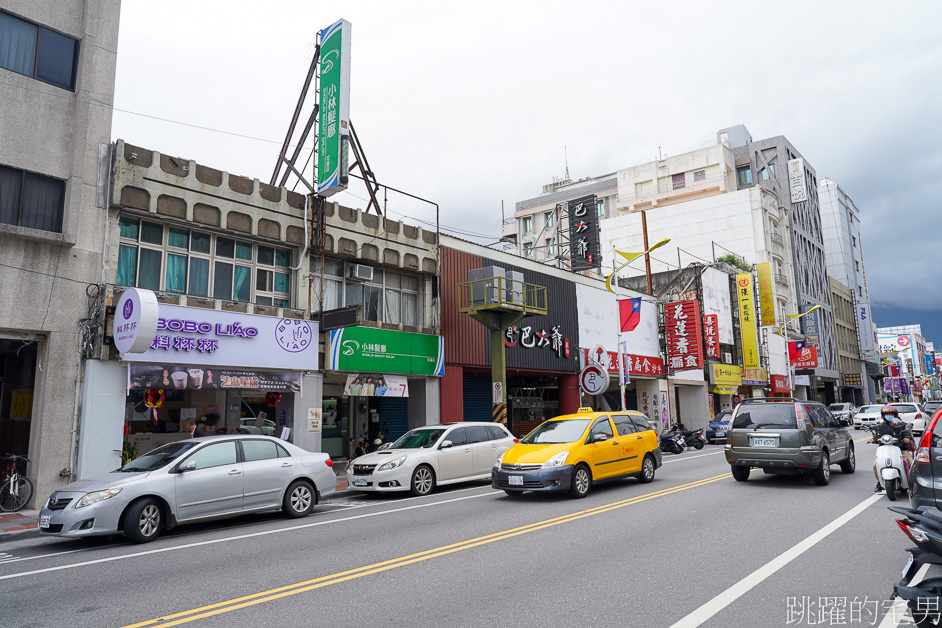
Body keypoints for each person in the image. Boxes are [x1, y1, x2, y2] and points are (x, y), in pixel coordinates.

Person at [869, 406, 913, 493]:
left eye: (891, 414)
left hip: (901, 450)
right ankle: (879, 482)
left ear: (895, 415)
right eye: (886, 414)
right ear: (883, 416)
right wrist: (874, 439)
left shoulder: (902, 425)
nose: (888, 416)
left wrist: (907, 438)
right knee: (875, 465)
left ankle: (914, 483)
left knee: (912, 464)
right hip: (885, 450)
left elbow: (907, 433)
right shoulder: (881, 426)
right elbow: (877, 434)